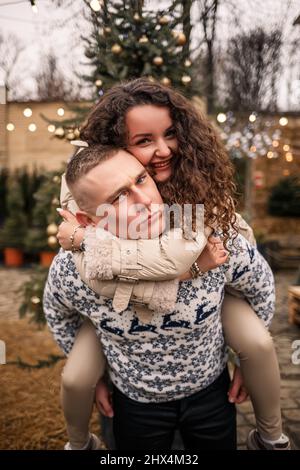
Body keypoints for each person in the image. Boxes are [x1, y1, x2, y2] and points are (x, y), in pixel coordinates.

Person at [54, 78, 290, 450]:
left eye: (170, 134)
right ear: (116, 146)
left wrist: (244, 358)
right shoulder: (96, 186)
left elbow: (253, 276)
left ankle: (271, 437)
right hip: (131, 357)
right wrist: (83, 238)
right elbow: (78, 283)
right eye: (144, 140)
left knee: (257, 344)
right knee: (77, 378)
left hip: (212, 324)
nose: (164, 150)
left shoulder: (197, 188)